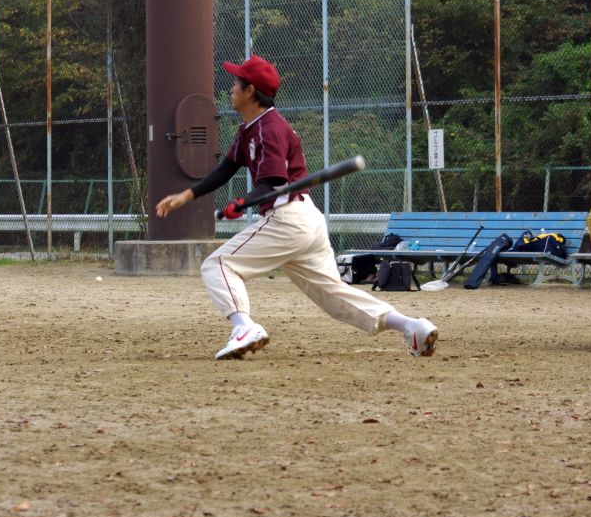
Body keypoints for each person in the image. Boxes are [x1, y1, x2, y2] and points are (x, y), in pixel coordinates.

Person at [155, 55, 438, 360]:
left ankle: (244, 327)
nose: (231, 89)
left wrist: (243, 202)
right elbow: (225, 170)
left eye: (236, 83)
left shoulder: (270, 128)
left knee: (218, 265)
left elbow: (272, 182)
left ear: (250, 91)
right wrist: (187, 195)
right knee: (334, 297)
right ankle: (412, 326)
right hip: (304, 220)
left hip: (288, 219)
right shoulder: (251, 128)